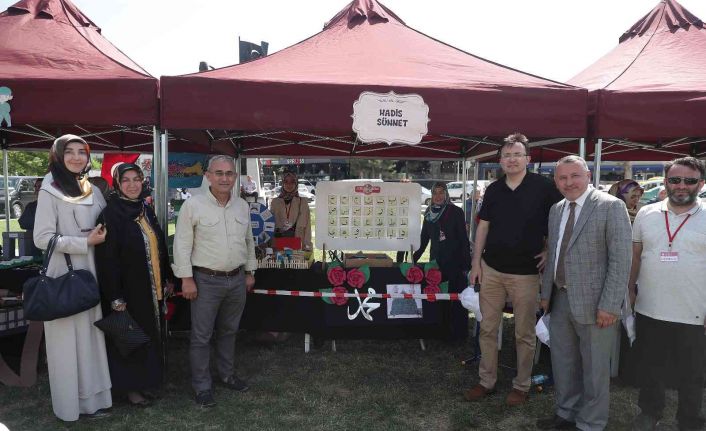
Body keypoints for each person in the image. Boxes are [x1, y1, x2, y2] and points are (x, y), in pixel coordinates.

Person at [465, 133, 562, 406]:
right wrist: (475, 263)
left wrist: (549, 250)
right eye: (506, 155)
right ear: (500, 160)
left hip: (527, 274)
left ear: (527, 158)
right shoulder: (494, 189)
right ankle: (486, 381)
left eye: (517, 154)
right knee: (487, 328)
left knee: (524, 334)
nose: (511, 159)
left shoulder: (544, 187)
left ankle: (521, 385)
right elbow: (482, 227)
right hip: (492, 270)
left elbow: (560, 221)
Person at [536, 155, 632, 431]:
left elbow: (621, 260)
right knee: (563, 363)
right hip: (560, 299)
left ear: (588, 176)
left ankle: (591, 423)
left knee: (594, 369)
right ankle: (566, 414)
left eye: (574, 176)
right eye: (562, 178)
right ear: (556, 181)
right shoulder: (556, 209)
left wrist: (610, 305)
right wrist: (546, 294)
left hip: (597, 304)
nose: (569, 182)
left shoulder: (611, 206)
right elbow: (554, 254)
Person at [33, 134, 112, 421]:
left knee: (91, 337)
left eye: (82, 151)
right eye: (70, 152)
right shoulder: (49, 189)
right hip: (64, 276)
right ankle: (69, 408)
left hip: (91, 272)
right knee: (66, 345)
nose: (77, 157)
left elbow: (105, 221)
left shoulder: (92, 189)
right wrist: (83, 243)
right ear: (57, 156)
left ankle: (94, 402)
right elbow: (42, 238)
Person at [628, 157, 706, 431]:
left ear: (701, 184)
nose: (681, 186)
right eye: (675, 180)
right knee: (651, 367)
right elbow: (635, 256)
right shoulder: (646, 214)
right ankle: (650, 412)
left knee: (693, 373)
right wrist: (629, 290)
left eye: (689, 181)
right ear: (665, 182)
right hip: (650, 308)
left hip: (695, 312)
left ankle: (690, 420)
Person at [172, 155, 257, 408]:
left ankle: (227, 375)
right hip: (205, 281)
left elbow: (248, 241)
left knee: (229, 331)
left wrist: (250, 271)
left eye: (229, 173)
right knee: (201, 336)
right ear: (207, 176)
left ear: (235, 177)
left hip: (237, 279)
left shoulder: (241, 205)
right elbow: (181, 244)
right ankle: (202, 386)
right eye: (218, 173)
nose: (224, 178)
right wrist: (186, 279)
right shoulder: (193, 205)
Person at [95, 163, 173, 407]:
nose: (132, 185)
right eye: (126, 180)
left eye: (136, 179)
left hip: (151, 287)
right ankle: (130, 389)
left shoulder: (145, 209)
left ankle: (146, 382)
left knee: (149, 336)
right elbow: (107, 259)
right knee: (130, 340)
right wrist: (115, 296)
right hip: (128, 290)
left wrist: (168, 277)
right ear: (117, 184)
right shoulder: (111, 214)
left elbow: (159, 245)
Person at [412, 182, 471, 341]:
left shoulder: (456, 212)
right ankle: (442, 332)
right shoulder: (429, 213)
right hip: (436, 264)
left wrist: (467, 264)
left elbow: (463, 239)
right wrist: (414, 258)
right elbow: (424, 239)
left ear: (446, 195)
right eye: (435, 193)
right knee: (440, 298)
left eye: (441, 192)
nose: (438, 196)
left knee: (457, 300)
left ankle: (458, 334)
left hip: (455, 263)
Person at [269, 171, 312, 250]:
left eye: (292, 182)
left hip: (298, 244)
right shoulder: (275, 202)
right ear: (282, 183)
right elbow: (270, 225)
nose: (289, 185)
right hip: (279, 245)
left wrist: (308, 246)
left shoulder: (302, 202)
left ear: (296, 183)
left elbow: (308, 226)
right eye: (286, 182)